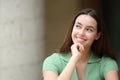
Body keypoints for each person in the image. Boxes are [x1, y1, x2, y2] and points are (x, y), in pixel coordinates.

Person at [42, 8, 119, 80]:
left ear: (97, 35)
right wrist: (74, 58)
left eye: (89, 29)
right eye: (78, 26)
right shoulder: (53, 61)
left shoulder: (106, 63)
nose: (81, 33)